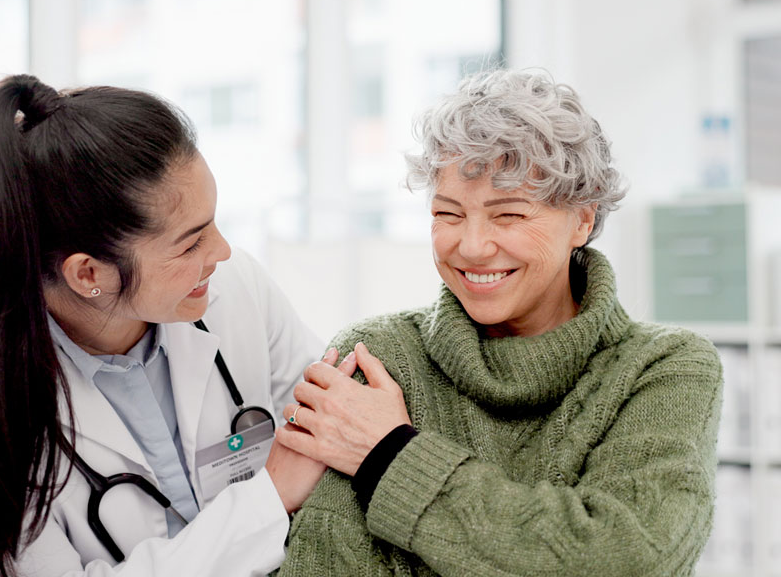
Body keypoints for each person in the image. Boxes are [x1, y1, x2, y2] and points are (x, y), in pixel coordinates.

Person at [274, 69, 723, 576]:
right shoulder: (379, 356)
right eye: (447, 214)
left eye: (508, 215)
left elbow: (627, 559)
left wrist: (389, 456)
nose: (471, 246)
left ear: (583, 219)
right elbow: (325, 562)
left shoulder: (664, 368)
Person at [0, 74, 339, 577]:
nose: (221, 252)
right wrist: (267, 501)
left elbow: (330, 440)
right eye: (190, 242)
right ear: (89, 273)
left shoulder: (235, 289)